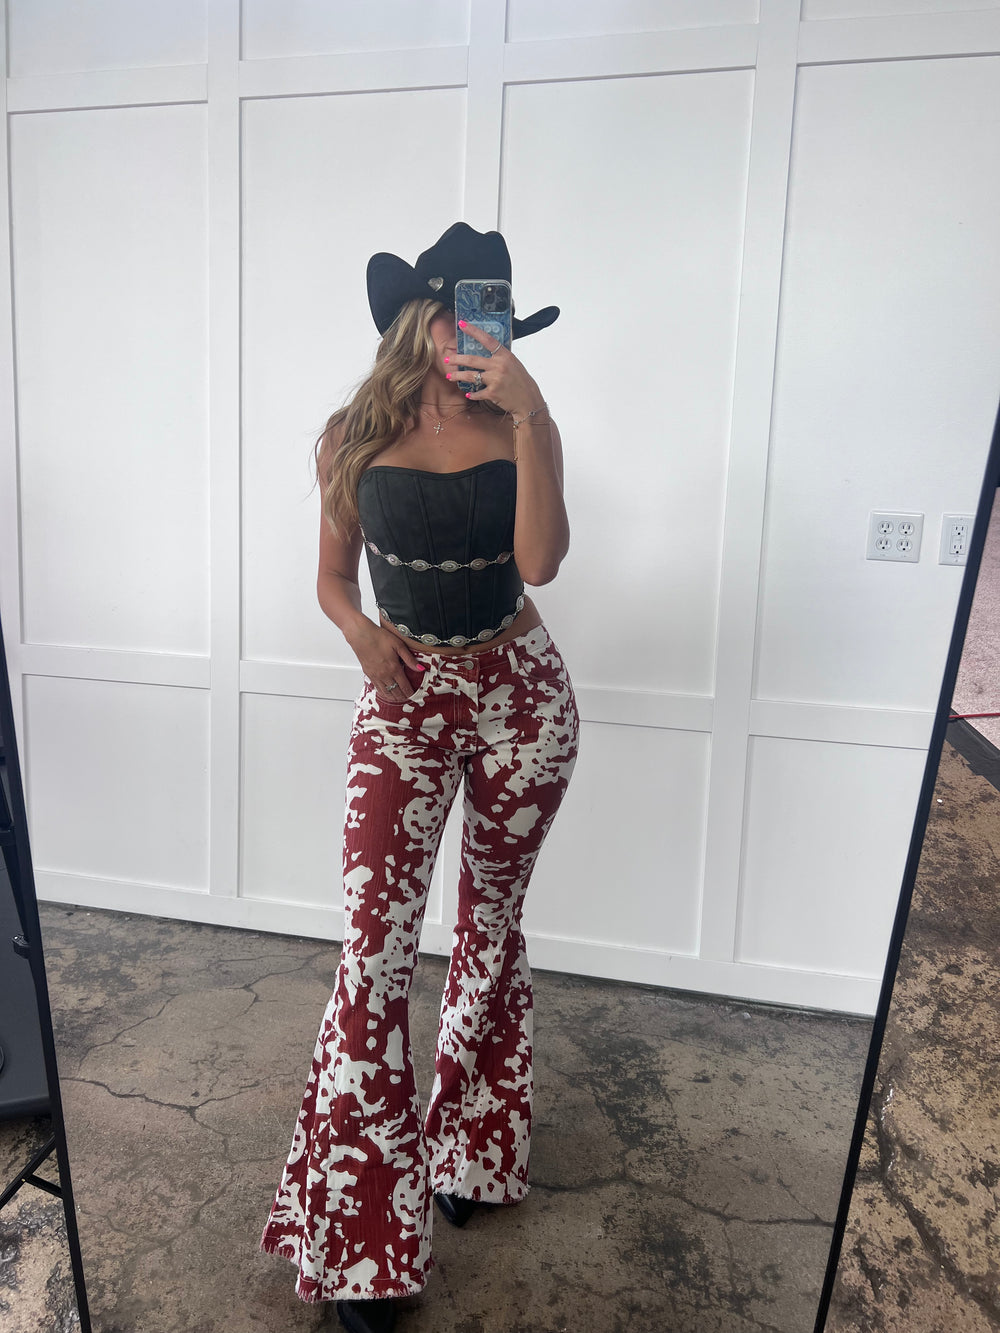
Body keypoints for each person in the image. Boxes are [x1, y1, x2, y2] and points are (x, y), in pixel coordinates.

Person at [258, 222, 580, 1333]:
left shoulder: (522, 421)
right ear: (420, 318)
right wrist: (361, 636)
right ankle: (361, 1240)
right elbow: (331, 580)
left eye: (494, 316)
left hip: (521, 696)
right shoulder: (354, 432)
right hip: (404, 700)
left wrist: (531, 414)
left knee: (490, 924)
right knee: (373, 954)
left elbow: (540, 562)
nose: (477, 335)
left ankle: (473, 1149)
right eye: (462, 313)